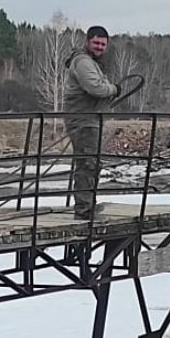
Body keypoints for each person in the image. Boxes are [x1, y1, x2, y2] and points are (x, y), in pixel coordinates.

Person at [63, 25, 122, 219]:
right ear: (87, 41)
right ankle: (84, 210)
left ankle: (87, 205)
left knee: (91, 163)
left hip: (88, 119)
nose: (99, 47)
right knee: (88, 164)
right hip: (83, 120)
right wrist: (114, 89)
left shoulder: (88, 62)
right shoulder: (83, 62)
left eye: (103, 44)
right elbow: (96, 88)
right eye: (96, 42)